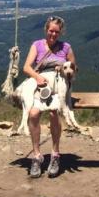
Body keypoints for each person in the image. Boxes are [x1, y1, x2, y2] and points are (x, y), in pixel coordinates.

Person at [22, 15, 76, 178]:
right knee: (33, 114)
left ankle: (55, 154)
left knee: (54, 113)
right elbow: (26, 67)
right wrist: (38, 78)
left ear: (60, 33)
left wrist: (65, 71)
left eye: (57, 32)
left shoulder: (66, 48)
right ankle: (37, 156)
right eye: (51, 31)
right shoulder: (37, 45)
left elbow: (73, 68)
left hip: (58, 87)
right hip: (41, 85)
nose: (53, 34)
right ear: (46, 30)